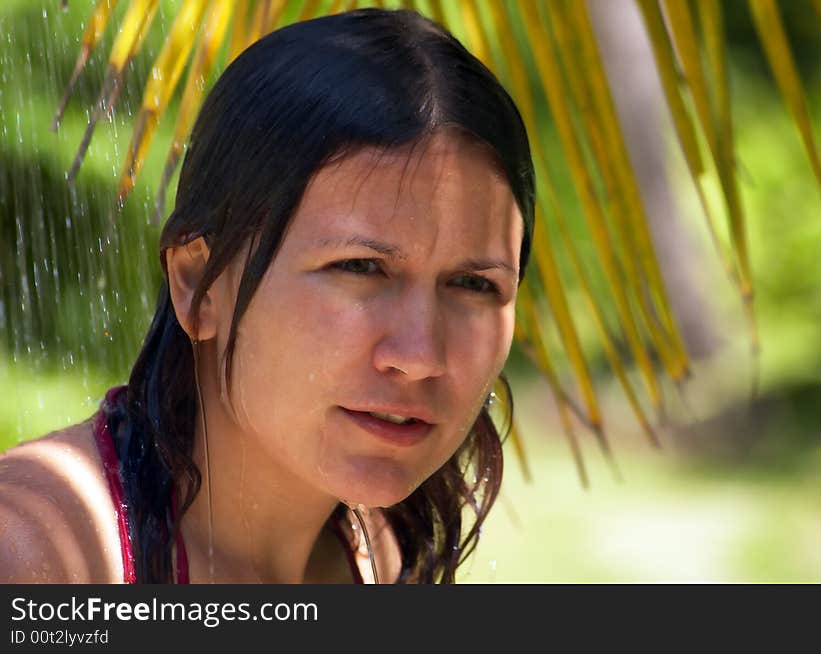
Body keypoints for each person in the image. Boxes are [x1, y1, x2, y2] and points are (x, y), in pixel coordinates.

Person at [0, 7, 534, 584]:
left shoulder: (372, 552)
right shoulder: (40, 552)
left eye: (474, 284)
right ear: (197, 285)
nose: (420, 355)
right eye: (361, 267)